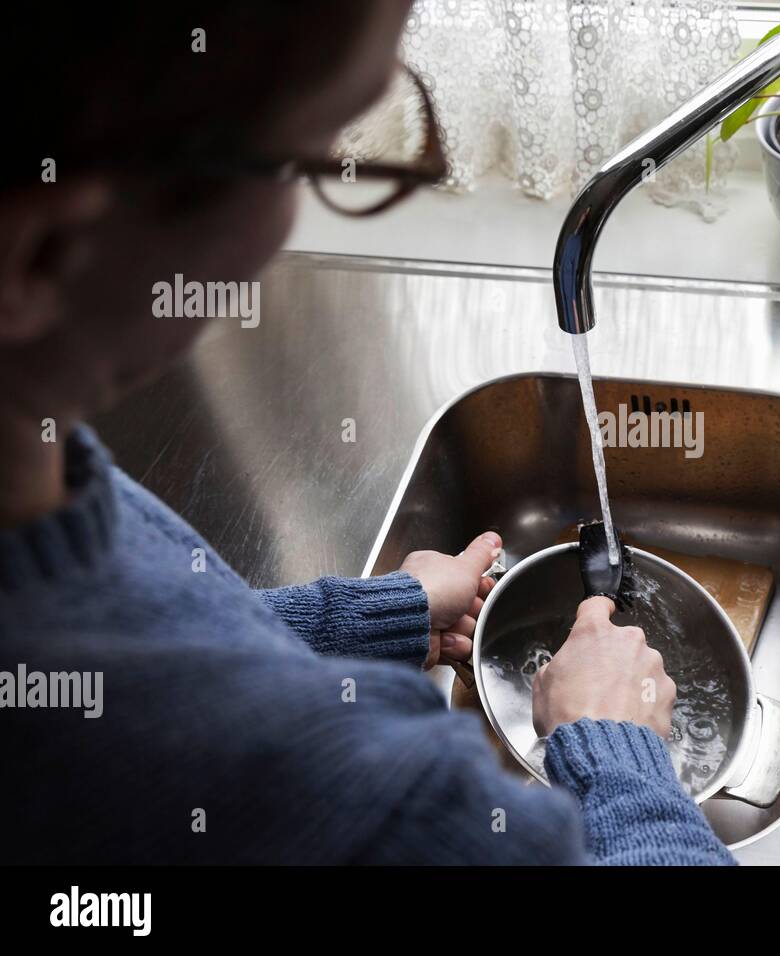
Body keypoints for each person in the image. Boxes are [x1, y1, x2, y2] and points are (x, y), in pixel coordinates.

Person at [0, 1, 734, 865]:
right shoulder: (373, 809)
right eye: (300, 156)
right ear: (41, 255)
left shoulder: (38, 472)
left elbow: (153, 622)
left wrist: (366, 616)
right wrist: (619, 753)